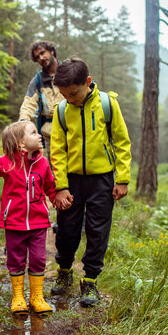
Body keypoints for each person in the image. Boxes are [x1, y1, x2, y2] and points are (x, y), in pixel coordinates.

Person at [50, 58, 131, 307]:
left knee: (98, 230)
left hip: (102, 180)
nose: (70, 98)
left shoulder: (107, 104)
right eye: (64, 95)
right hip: (71, 182)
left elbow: (122, 142)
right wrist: (61, 187)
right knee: (66, 228)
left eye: (73, 93)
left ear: (87, 82)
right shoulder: (62, 110)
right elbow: (57, 151)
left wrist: (123, 179)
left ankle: (90, 280)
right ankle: (64, 271)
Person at [0, 121, 62, 315]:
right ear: (20, 144)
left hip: (38, 222)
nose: (39, 135)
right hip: (14, 223)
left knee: (38, 258)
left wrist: (57, 198)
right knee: (15, 259)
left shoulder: (43, 163)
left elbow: (50, 186)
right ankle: (18, 296)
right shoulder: (7, 162)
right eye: (34, 133)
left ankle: (37, 297)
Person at [18, 41, 64, 163]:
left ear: (52, 51)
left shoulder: (68, 72)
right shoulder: (37, 81)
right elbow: (28, 105)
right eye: (37, 57)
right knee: (56, 171)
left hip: (74, 130)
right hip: (51, 134)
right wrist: (23, 123)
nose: (41, 58)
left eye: (43, 53)